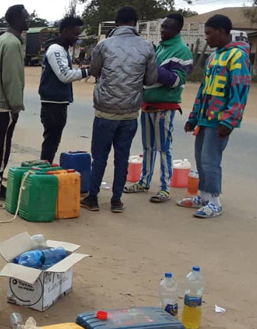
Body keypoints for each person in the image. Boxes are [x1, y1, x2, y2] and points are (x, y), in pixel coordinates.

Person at [80, 6, 157, 213]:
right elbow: (151, 79)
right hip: (130, 112)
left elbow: (94, 71)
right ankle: (116, 200)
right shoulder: (147, 47)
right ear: (135, 23)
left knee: (100, 157)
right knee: (122, 156)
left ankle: (93, 199)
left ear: (116, 23)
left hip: (105, 111)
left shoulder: (103, 45)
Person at [178, 15, 251, 218]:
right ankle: (203, 196)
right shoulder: (213, 57)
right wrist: (193, 117)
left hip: (220, 120)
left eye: (209, 34)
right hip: (204, 117)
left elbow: (240, 89)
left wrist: (229, 119)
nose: (207, 38)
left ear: (222, 31)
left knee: (211, 160)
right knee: (201, 159)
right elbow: (203, 90)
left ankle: (215, 201)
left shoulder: (237, 56)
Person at [124, 14, 194, 203]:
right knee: (147, 147)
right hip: (147, 105)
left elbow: (176, 80)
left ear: (177, 30)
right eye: (162, 27)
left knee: (163, 148)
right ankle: (144, 182)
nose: (163, 30)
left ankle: (164, 188)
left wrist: (152, 66)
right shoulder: (160, 48)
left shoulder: (182, 52)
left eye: (168, 28)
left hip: (165, 107)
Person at [0, 4, 28, 200]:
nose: (27, 21)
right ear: (16, 19)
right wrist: (15, 105)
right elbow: (11, 78)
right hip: (5, 104)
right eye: (25, 17)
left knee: (0, 144)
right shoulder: (11, 43)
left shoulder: (4, 39)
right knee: (3, 146)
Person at [38, 16, 90, 164]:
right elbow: (65, 75)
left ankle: (45, 169)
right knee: (51, 142)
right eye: (75, 34)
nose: (77, 38)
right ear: (66, 31)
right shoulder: (56, 49)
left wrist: (81, 70)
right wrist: (88, 72)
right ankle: (43, 172)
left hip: (58, 102)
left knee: (53, 141)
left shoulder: (61, 48)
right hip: (52, 104)